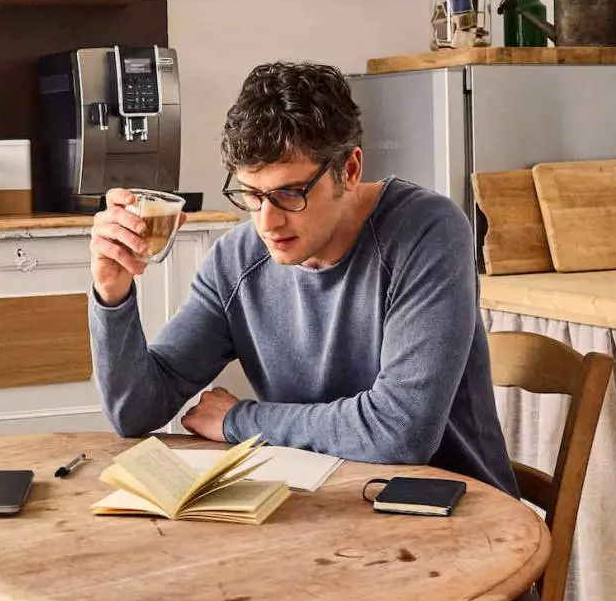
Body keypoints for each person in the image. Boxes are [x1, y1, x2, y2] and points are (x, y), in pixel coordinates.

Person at [87, 60, 517, 493]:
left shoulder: (427, 231)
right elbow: (136, 412)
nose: (267, 222)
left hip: (455, 514)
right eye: (251, 195)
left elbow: (401, 432)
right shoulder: (236, 260)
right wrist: (112, 293)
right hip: (322, 510)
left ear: (348, 171)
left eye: (289, 193)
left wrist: (241, 420)